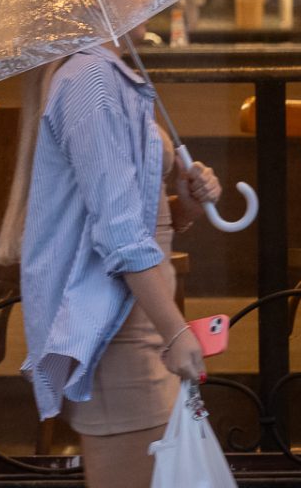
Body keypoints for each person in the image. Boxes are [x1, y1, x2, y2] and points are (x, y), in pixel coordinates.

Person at [20, 31, 222, 488]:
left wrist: (184, 203)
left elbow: (138, 220)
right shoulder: (91, 80)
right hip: (122, 329)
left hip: (139, 317)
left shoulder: (112, 75)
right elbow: (119, 234)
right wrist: (175, 330)